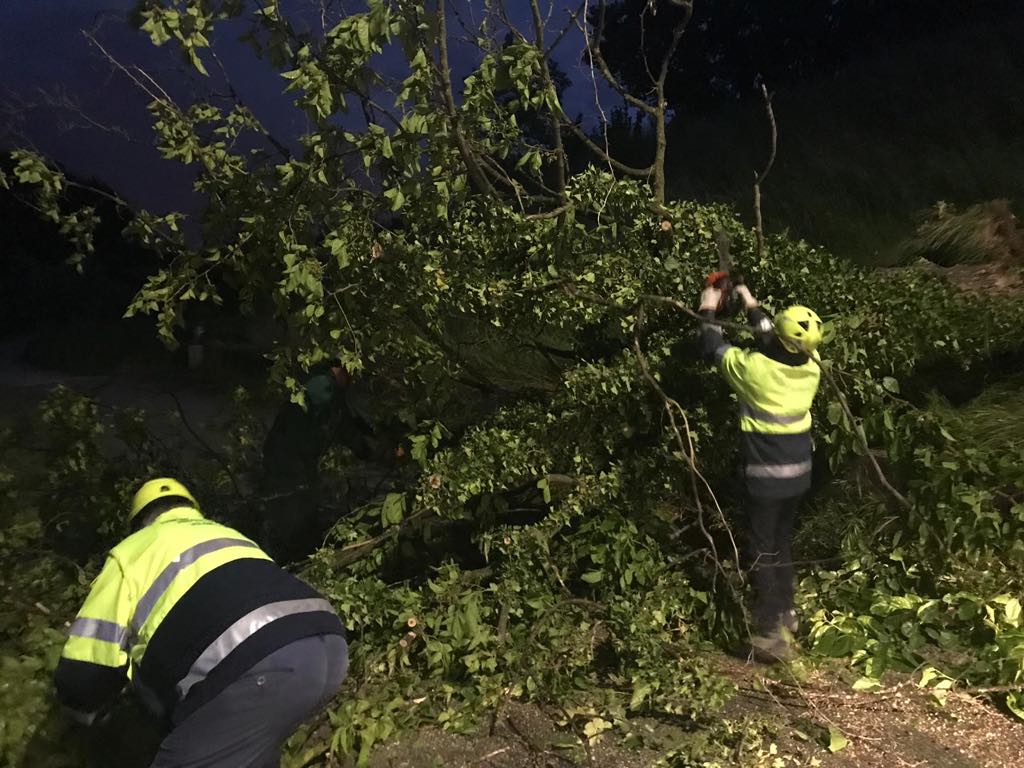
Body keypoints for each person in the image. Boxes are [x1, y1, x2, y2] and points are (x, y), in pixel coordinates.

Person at [54, 478, 348, 767]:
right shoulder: (229, 534)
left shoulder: (131, 551)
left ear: (141, 521)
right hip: (328, 644)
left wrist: (79, 709)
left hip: (255, 665)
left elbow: (86, 663)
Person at [698, 279, 823, 662]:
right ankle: (787, 612)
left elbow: (713, 346)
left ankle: (770, 633)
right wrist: (748, 300)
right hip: (799, 474)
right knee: (781, 541)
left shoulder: (754, 371)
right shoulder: (812, 366)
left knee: (760, 549)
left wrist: (708, 306)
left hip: (767, 477)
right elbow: (770, 336)